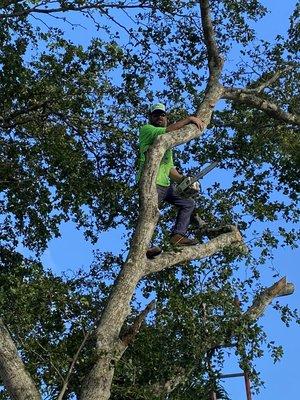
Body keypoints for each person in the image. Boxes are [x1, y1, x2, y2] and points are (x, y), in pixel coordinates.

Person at [138, 103, 205, 257]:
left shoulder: (167, 145)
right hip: (151, 183)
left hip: (165, 185)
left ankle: (177, 235)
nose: (160, 117)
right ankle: (144, 247)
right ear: (151, 118)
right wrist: (189, 119)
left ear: (166, 117)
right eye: (156, 115)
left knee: (188, 203)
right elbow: (167, 131)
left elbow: (169, 169)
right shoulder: (147, 130)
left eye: (162, 115)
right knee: (150, 213)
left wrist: (185, 180)